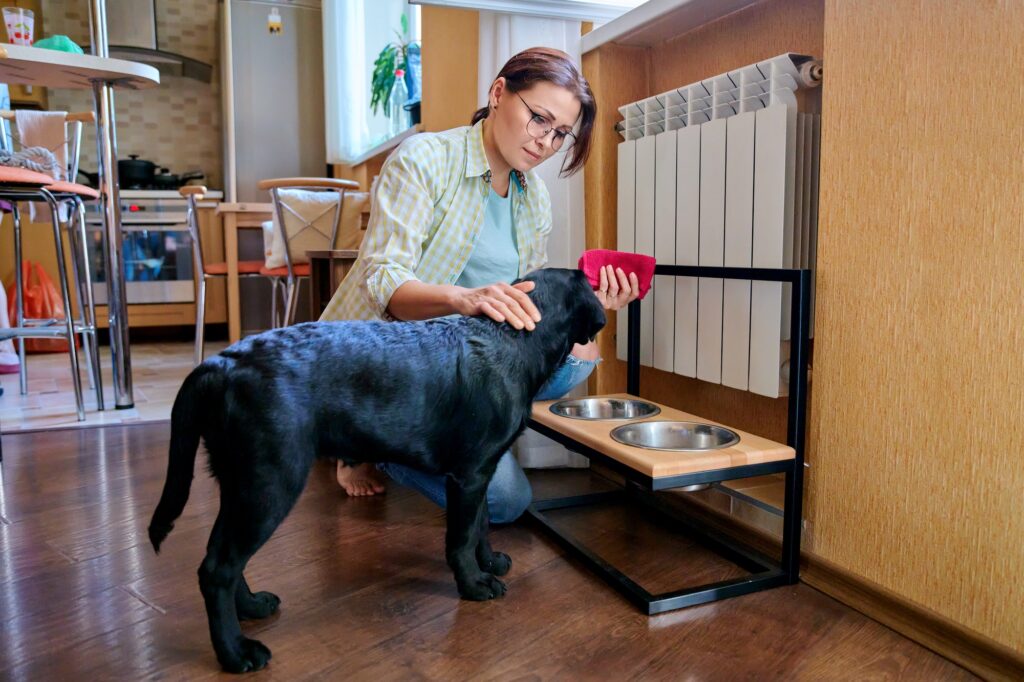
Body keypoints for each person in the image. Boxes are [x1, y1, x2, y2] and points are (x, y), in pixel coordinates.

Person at [320, 46, 639, 523]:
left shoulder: (534, 199)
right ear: (497, 94)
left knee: (581, 357)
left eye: (559, 134)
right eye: (538, 119)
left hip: (462, 365)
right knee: (504, 503)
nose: (544, 143)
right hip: (389, 363)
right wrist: (464, 300)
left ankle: (456, 431)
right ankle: (362, 438)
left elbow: (528, 305)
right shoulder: (424, 159)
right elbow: (383, 280)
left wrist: (590, 307)